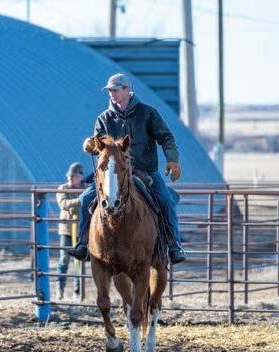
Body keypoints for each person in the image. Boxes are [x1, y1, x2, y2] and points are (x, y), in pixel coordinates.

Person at [68, 73, 186, 264]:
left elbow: (166, 138)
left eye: (115, 90)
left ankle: (174, 245)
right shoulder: (104, 118)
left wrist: (172, 160)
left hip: (145, 171)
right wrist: (90, 144)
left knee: (165, 200)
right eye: (109, 91)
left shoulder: (148, 113)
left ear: (127, 90)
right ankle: (83, 243)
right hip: (112, 174)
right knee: (85, 199)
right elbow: (98, 145)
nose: (111, 94)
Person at [55, 162, 86, 300]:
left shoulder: (85, 188)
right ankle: (59, 289)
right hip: (66, 230)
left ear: (80, 177)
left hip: (81, 230)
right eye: (70, 176)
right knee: (64, 259)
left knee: (78, 261)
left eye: (73, 176)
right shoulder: (63, 188)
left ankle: (77, 291)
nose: (70, 179)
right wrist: (80, 199)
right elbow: (64, 204)